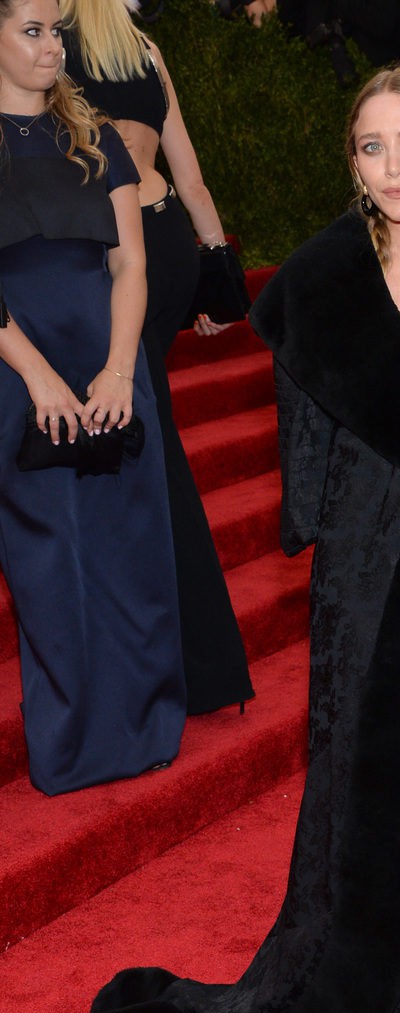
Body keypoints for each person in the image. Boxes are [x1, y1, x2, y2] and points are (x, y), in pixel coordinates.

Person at [89, 68, 400, 1013]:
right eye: (371, 148)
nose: (391, 167)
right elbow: (309, 465)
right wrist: (338, 554)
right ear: (352, 163)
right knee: (372, 774)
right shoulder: (321, 281)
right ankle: (388, 983)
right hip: (373, 561)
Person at [0, 0, 185, 794]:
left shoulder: (94, 134)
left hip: (110, 356)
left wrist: (117, 370)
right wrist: (37, 375)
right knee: (51, 555)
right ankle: (74, 745)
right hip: (16, 366)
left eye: (55, 32)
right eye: (32, 31)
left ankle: (147, 725)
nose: (50, 48)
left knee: (130, 545)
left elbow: (131, 265)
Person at [61, 0, 254, 716]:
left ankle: (182, 663)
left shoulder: (49, 46)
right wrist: (217, 277)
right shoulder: (142, 45)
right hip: (168, 235)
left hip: (109, 249)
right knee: (151, 430)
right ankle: (200, 659)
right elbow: (192, 177)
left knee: (139, 448)